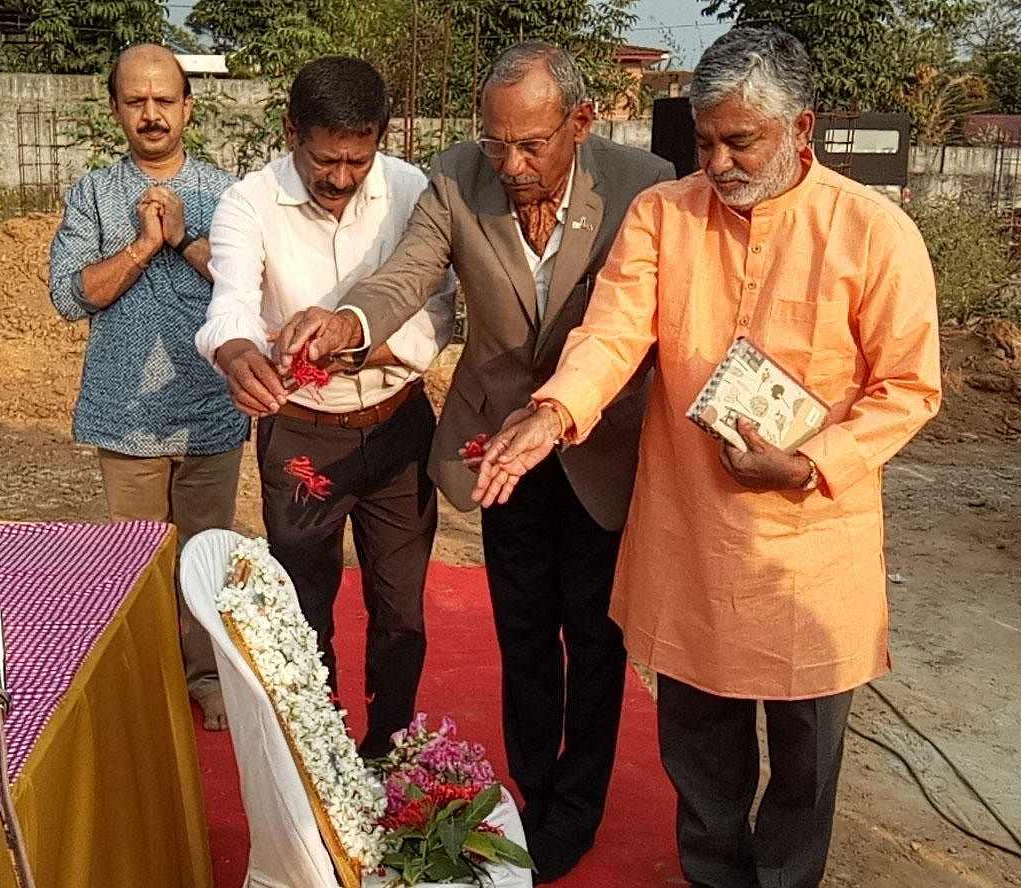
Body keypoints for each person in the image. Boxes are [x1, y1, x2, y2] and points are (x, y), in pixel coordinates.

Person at [473, 27, 942, 888]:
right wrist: (552, 413)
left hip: (812, 548)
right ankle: (712, 876)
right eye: (705, 140)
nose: (718, 162)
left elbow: (910, 388)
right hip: (691, 532)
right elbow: (612, 333)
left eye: (741, 141)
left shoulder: (875, 232)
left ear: (801, 128)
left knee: (804, 765)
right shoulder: (664, 214)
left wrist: (811, 463)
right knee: (701, 754)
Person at [273, 42, 675, 882]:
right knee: (523, 631)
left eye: (531, 146)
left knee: (596, 640)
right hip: (494, 450)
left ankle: (579, 805)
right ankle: (534, 795)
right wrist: (349, 322)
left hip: (597, 449)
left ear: (581, 123)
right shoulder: (457, 174)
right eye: (498, 143)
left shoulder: (645, 183)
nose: (512, 164)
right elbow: (405, 275)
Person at [194, 56, 455, 758]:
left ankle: (390, 750)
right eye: (325, 159)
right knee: (304, 606)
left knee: (401, 610)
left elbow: (440, 311)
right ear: (290, 131)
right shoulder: (247, 202)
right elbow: (230, 309)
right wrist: (238, 354)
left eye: (358, 160)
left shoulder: (412, 190)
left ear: (383, 138)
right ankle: (321, 759)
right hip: (302, 436)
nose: (341, 179)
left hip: (399, 428)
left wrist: (364, 350)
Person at [49, 43, 247, 732]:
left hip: (211, 413)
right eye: (136, 100)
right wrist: (140, 243)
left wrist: (185, 239)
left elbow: (252, 289)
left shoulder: (229, 193)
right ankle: (146, 681)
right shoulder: (93, 194)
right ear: (115, 109)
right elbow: (72, 298)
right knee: (133, 565)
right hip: (124, 417)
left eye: (165, 99)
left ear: (188, 106)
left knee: (205, 557)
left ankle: (203, 675)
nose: (152, 113)